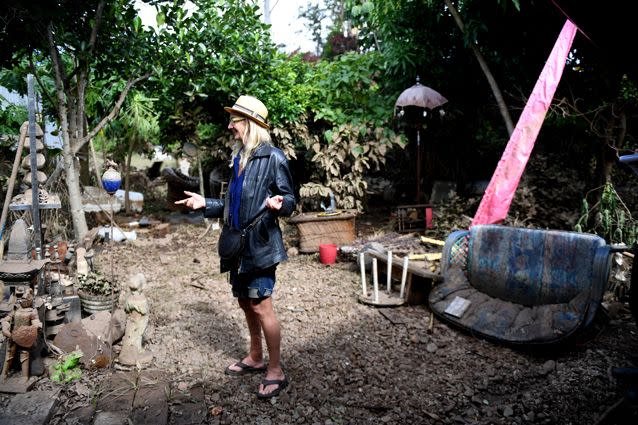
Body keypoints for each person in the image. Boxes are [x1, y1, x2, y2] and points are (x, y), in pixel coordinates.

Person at [176, 95, 295, 399]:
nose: (230, 126)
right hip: (237, 245)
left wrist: (281, 204)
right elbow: (234, 204)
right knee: (245, 301)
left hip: (261, 244)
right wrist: (206, 203)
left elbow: (290, 200)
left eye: (235, 120)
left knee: (261, 305)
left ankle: (276, 369)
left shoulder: (273, 158)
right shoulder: (239, 159)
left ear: (251, 124)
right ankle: (256, 357)